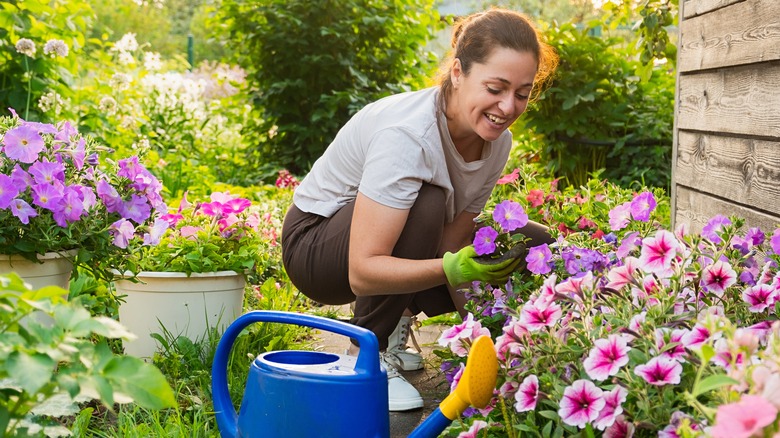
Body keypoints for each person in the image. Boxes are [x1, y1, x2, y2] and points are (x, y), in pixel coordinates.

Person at [281, 8, 558, 412]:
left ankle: (397, 319)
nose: (507, 106)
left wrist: (485, 348)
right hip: (317, 248)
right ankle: (366, 353)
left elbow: (453, 241)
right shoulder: (408, 135)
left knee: (530, 242)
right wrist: (452, 268)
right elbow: (362, 269)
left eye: (522, 92)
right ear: (459, 72)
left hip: (395, 239)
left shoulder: (498, 141)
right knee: (426, 205)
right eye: (495, 87)